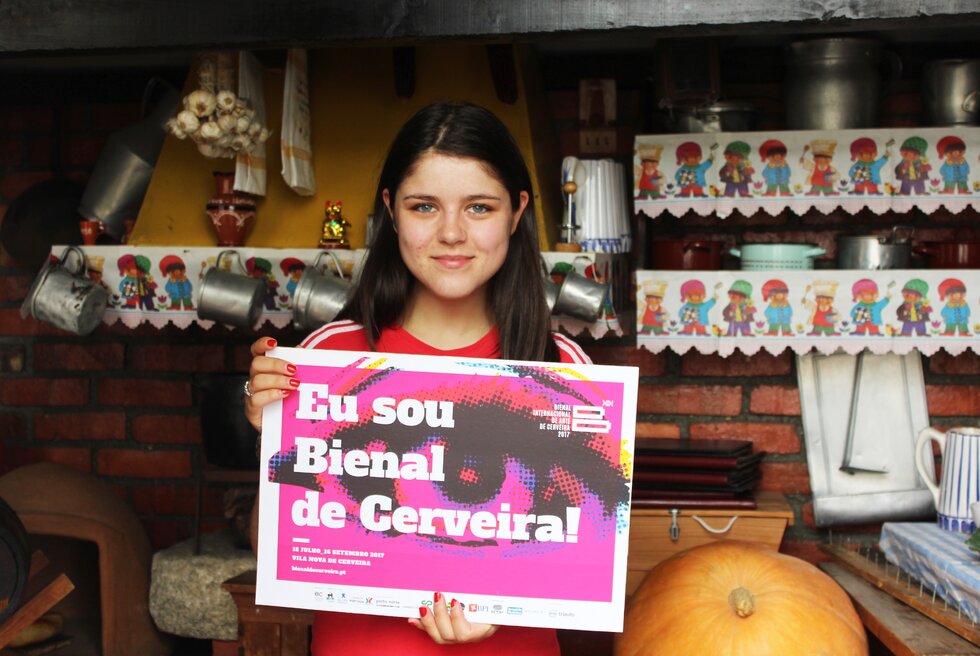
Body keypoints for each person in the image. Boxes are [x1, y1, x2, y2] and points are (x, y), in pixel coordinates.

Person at [243, 101, 592, 655]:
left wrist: (503, 604)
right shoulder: (328, 357)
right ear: (390, 210)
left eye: (479, 207)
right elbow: (276, 550)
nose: (451, 233)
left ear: (517, 212)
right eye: (424, 206)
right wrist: (275, 439)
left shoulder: (565, 372)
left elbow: (584, 562)